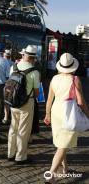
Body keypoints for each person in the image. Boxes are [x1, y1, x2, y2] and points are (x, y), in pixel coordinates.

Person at [44, 53, 89, 183]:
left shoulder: (54, 79)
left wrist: (47, 114)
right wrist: (87, 114)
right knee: (63, 146)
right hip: (68, 113)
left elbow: (49, 100)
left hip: (56, 111)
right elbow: (80, 102)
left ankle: (65, 169)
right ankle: (51, 175)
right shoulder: (74, 80)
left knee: (61, 143)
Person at [8, 45, 40, 164]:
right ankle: (20, 157)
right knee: (23, 130)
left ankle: (10, 153)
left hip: (13, 101)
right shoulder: (34, 72)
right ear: (33, 58)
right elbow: (36, 93)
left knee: (13, 128)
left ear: (24, 55)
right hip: (27, 102)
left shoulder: (13, 67)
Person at [2, 49, 14, 124]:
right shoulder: (13, 63)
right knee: (9, 101)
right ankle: (8, 117)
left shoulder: (2, 62)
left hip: (3, 83)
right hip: (11, 84)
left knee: (4, 101)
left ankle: (5, 117)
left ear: (4, 55)